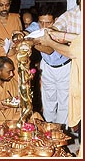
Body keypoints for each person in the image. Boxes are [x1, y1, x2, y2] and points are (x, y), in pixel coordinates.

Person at [34, 29, 82, 157]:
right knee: (48, 102)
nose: (44, 26)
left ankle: (60, 140)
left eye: (48, 23)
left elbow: (49, 49)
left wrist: (32, 42)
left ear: (55, 21)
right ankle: (48, 138)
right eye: (42, 23)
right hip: (47, 67)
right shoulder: (36, 29)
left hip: (64, 67)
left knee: (64, 104)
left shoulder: (61, 30)